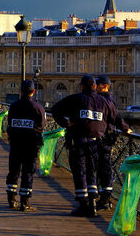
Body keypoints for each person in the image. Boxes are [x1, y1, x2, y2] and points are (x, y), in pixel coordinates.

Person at [52, 75, 113, 217]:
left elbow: (55, 110)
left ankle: (84, 204)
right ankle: (93, 203)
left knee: (80, 172)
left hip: (78, 140)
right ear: (95, 86)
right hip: (96, 142)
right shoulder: (103, 101)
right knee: (92, 172)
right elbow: (115, 117)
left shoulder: (75, 99)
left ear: (82, 86)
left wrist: (66, 124)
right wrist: (125, 128)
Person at [5, 80, 46, 211]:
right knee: (28, 171)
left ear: (21, 91)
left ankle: (11, 200)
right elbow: (42, 125)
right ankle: (25, 202)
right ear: (33, 91)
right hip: (31, 143)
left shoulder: (13, 106)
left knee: (13, 170)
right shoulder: (38, 107)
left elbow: (9, 123)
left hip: (16, 142)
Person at [95, 75, 132, 210]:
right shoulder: (103, 99)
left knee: (104, 167)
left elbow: (116, 117)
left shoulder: (106, 100)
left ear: (105, 86)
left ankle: (105, 198)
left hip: (104, 138)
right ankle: (103, 196)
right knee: (102, 167)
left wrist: (125, 128)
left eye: (98, 84)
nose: (95, 87)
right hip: (102, 137)